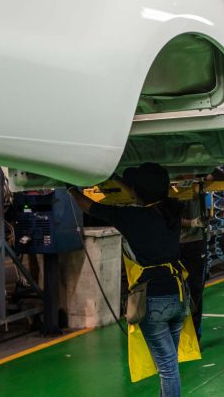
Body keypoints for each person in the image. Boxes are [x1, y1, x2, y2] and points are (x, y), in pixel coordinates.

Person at [69, 163, 185, 397]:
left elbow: (90, 206)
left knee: (167, 367)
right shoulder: (173, 210)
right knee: (170, 362)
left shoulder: (131, 217)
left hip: (153, 299)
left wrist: (70, 189)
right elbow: (139, 193)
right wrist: (117, 178)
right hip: (178, 295)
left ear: (138, 191)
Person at [180, 196, 207, 343]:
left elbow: (219, 175)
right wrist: (191, 223)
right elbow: (165, 217)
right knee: (175, 292)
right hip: (174, 243)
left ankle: (194, 337)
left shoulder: (199, 180)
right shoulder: (169, 184)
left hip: (196, 242)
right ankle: (179, 337)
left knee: (195, 290)